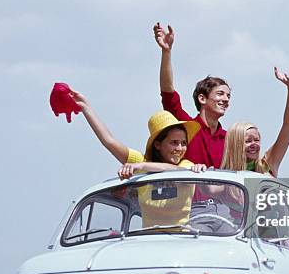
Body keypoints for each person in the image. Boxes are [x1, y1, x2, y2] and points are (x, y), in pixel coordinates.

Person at [69, 90, 206, 227]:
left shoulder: (186, 165)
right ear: (158, 144)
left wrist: (140, 167)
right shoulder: (142, 162)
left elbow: (175, 170)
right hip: (146, 242)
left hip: (181, 241)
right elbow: (109, 141)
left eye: (183, 143)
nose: (180, 148)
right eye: (174, 143)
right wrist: (85, 107)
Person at [153, 22, 230, 168]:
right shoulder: (186, 129)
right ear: (202, 98)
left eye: (228, 96)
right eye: (220, 94)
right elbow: (167, 92)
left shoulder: (230, 139)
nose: (225, 99)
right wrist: (166, 52)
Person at [220, 67, 289, 177]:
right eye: (248, 141)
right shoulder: (223, 173)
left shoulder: (267, 164)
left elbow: (288, 126)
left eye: (256, 140)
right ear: (235, 144)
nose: (254, 144)